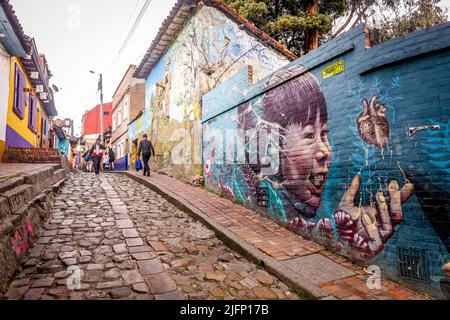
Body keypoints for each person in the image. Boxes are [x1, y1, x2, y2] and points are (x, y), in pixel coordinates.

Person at [238, 64, 414, 261]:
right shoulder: (253, 190)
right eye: (309, 135)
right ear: (273, 147)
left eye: (324, 133)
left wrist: (347, 243)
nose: (325, 150)